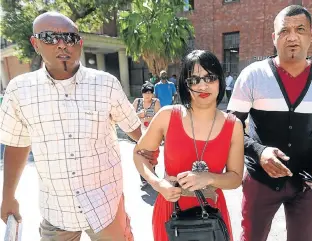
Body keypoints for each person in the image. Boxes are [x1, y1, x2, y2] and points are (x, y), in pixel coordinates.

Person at [0, 12, 156, 241]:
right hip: (56, 210)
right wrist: (8, 196)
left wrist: (156, 153)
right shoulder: (19, 91)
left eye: (70, 38)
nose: (62, 44)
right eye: (50, 37)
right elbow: (17, 144)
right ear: (35, 43)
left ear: (80, 43)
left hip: (106, 206)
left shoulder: (105, 84)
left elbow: (135, 130)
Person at [228, 5, 312, 241]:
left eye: (300, 29)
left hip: (305, 183)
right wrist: (259, 152)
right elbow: (232, 125)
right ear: (274, 37)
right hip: (260, 181)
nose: (292, 36)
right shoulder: (253, 75)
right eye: (284, 31)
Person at [133, 50, 244, 241]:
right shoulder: (168, 116)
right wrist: (158, 183)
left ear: (220, 81)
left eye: (209, 77)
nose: (202, 85)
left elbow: (235, 179)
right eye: (194, 80)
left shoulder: (233, 125)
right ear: (185, 85)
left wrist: (208, 178)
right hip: (170, 208)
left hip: (211, 214)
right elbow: (139, 154)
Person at [132, 82, 161, 188]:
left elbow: (159, 117)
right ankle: (144, 179)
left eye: (150, 92)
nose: (147, 95)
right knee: (141, 155)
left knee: (152, 155)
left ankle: (151, 174)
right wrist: (139, 115)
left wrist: (148, 119)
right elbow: (129, 117)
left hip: (152, 133)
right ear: (142, 93)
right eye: (145, 92)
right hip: (139, 134)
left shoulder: (156, 102)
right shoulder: (137, 101)